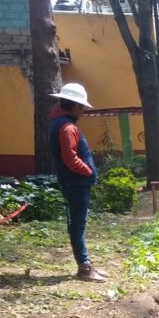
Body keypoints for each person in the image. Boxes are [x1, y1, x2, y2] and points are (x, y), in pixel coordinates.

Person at [48, 83, 107, 282]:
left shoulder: (59, 123)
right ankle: (84, 267)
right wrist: (88, 171)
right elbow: (70, 158)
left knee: (77, 224)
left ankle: (86, 263)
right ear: (72, 105)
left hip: (72, 181)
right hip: (76, 182)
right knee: (78, 225)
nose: (83, 111)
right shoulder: (67, 127)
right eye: (81, 107)